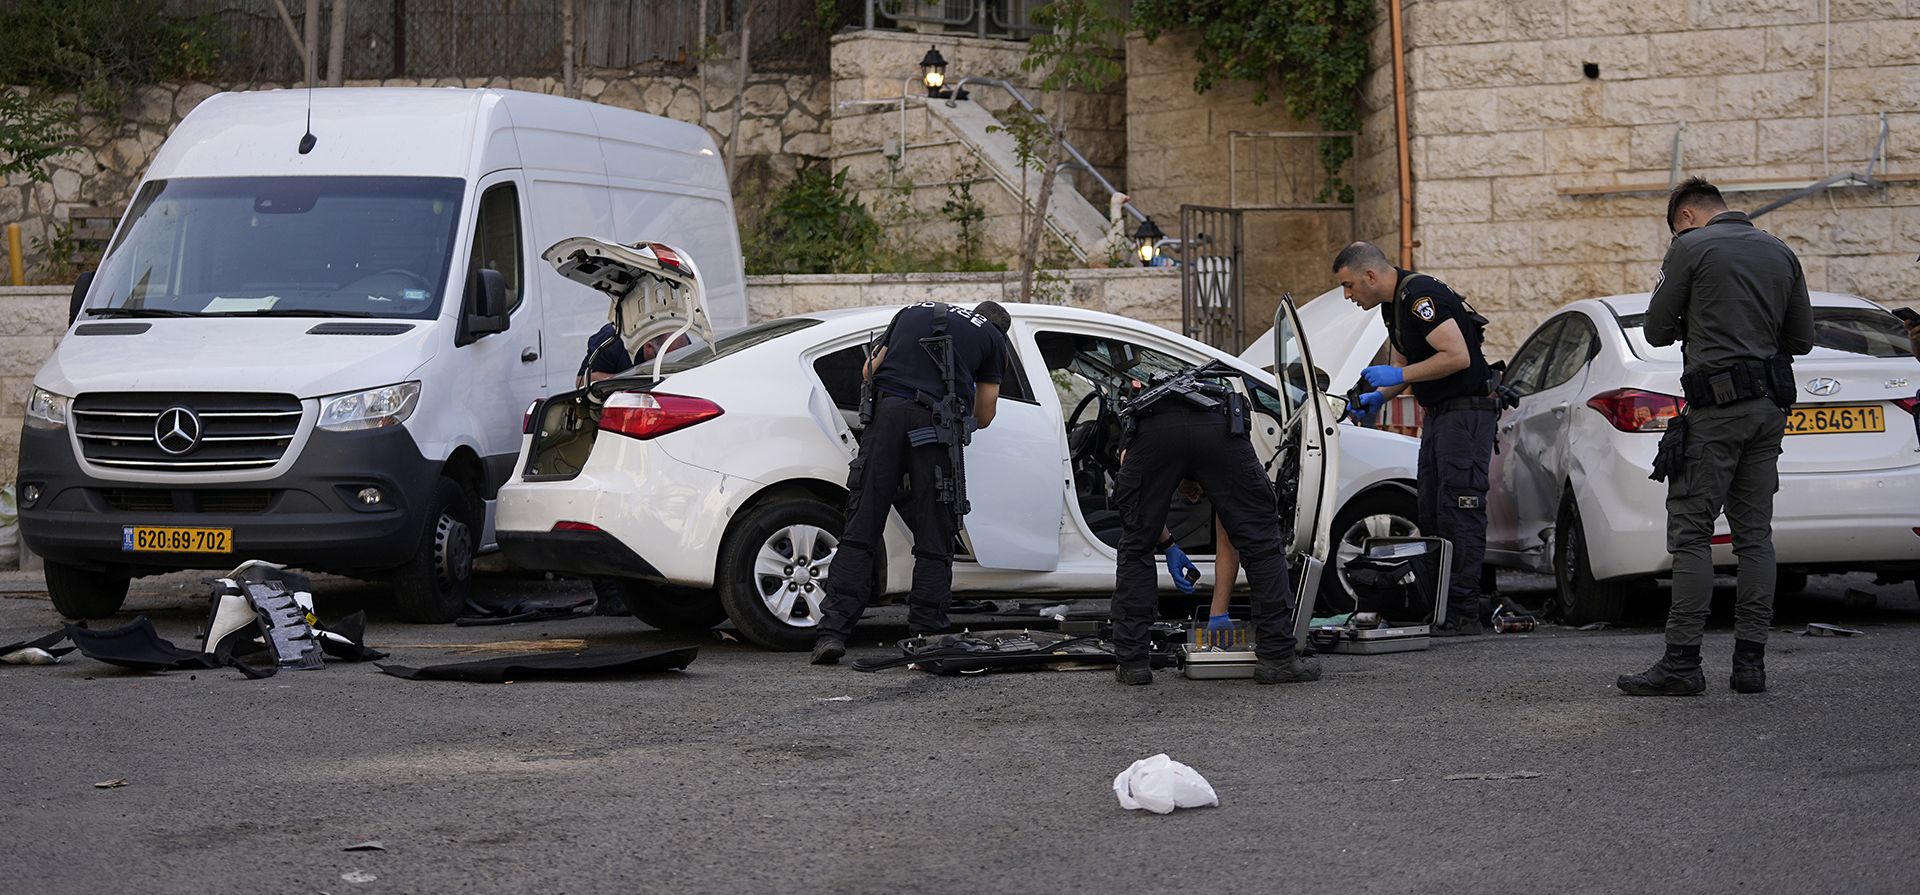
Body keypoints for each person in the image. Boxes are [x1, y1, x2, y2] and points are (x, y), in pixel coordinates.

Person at [1618, 178, 1812, 696]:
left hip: (1716, 412)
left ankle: (1682, 662)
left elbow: (1657, 331)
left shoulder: (1691, 247)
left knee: (1691, 534)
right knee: (1755, 537)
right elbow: (1802, 340)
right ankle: (1751, 664)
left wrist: (1700, 322)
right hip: (1768, 410)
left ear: (1684, 216)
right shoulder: (1781, 251)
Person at [810, 301, 1011, 665]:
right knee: (934, 532)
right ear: (1001, 328)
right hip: (934, 429)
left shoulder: (914, 311)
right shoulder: (992, 338)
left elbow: (870, 369)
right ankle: (927, 630)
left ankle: (833, 632)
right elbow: (986, 412)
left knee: (862, 525)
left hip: (886, 416)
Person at [1108, 368, 1320, 686]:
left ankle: (1133, 664)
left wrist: (1164, 543)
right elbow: (1242, 535)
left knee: (1135, 544)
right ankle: (1276, 657)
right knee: (1261, 542)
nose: (1194, 496)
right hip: (1216, 423)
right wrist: (1170, 546)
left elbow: (1139, 516)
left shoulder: (1143, 427)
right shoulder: (1223, 444)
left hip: (1155, 429)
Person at [1332, 241, 1496, 635]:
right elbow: (1404, 363)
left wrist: (1399, 379)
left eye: (1350, 286)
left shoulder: (1421, 296)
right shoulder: (1394, 304)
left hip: (1466, 412)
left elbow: (1457, 356)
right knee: (1434, 511)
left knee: (1461, 509)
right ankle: (1441, 605)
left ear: (1371, 275)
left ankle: (1463, 612)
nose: (1347, 295)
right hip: (1441, 414)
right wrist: (1378, 396)